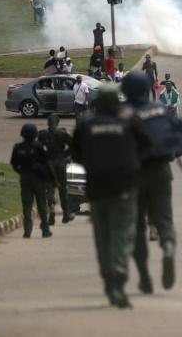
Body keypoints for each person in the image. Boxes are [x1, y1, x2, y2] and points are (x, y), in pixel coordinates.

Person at [71, 86, 152, 308]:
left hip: (97, 188)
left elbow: (75, 153)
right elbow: (147, 146)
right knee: (122, 235)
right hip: (125, 187)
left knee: (103, 237)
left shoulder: (86, 123)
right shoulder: (130, 121)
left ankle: (108, 278)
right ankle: (118, 276)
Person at [120, 72, 182, 296]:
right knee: (164, 219)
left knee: (137, 227)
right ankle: (168, 245)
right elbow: (180, 144)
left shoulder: (121, 114)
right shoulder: (161, 110)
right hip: (161, 172)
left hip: (132, 174)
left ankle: (144, 277)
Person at [11, 124, 53, 239]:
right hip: (38, 179)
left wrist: (21, 173)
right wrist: (50, 178)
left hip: (25, 178)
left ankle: (27, 231)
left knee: (27, 205)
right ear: (35, 134)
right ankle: (45, 230)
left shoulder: (18, 147)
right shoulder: (39, 147)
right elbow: (47, 164)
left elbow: (14, 164)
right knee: (42, 205)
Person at [39, 114, 75, 225]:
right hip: (60, 163)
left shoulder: (42, 134)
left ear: (48, 122)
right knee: (63, 189)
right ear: (58, 122)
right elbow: (73, 146)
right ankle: (65, 214)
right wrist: (65, 155)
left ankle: (52, 210)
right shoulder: (62, 134)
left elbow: (38, 149)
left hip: (48, 164)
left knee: (49, 189)